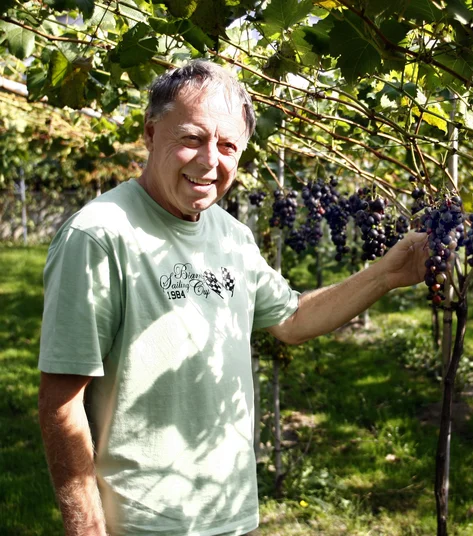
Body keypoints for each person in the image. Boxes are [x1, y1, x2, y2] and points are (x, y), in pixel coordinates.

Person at [37, 59, 428, 536]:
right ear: (150, 132)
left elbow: (291, 319)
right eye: (192, 139)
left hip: (231, 514)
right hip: (141, 524)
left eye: (227, 146)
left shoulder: (232, 236)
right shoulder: (100, 236)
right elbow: (60, 402)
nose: (210, 161)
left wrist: (387, 273)